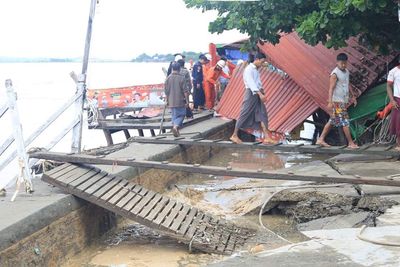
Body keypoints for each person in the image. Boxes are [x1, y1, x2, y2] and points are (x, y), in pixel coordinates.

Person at [230, 52, 275, 144]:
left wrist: (262, 91)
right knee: (244, 113)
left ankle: (267, 137)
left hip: (257, 93)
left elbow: (258, 82)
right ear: (257, 59)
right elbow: (251, 84)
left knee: (263, 114)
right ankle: (234, 135)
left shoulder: (256, 69)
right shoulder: (249, 69)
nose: (262, 64)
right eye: (262, 62)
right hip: (251, 93)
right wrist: (260, 94)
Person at [316, 53, 359, 148]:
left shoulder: (346, 71)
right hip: (337, 102)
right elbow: (331, 88)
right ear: (337, 62)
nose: (343, 65)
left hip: (343, 100)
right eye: (341, 63)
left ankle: (320, 139)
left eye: (345, 63)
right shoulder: (335, 74)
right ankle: (351, 143)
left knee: (333, 121)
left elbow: (348, 84)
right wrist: (330, 102)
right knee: (345, 121)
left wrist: (353, 96)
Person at [164, 62, 190, 137]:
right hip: (180, 100)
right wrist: (187, 101)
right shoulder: (181, 78)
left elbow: (166, 92)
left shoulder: (168, 78)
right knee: (182, 115)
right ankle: (175, 127)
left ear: (172, 69)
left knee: (174, 116)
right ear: (179, 69)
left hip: (171, 101)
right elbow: (185, 91)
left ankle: (176, 130)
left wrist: (167, 101)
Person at [387, 56, 400, 151]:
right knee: (398, 123)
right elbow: (388, 86)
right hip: (398, 99)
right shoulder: (393, 71)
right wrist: (392, 100)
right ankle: (399, 144)